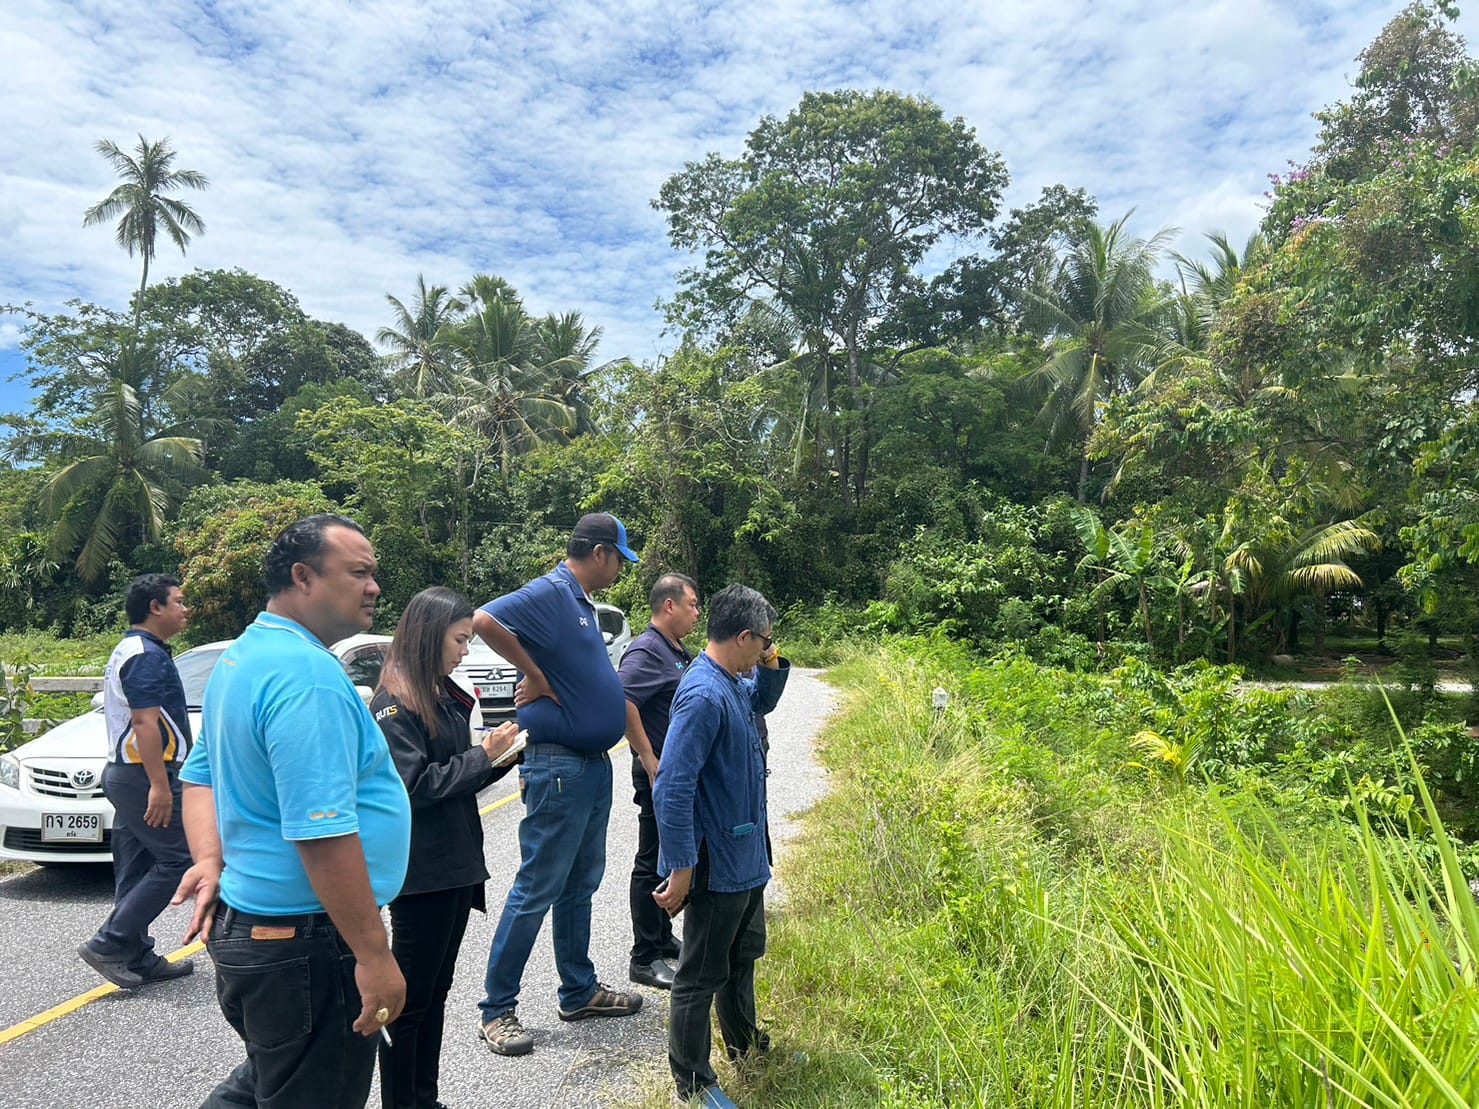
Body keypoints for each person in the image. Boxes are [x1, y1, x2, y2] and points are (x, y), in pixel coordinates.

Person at [172, 514, 412, 1109]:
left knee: (270, 1080)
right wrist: (374, 954)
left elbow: (200, 773)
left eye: (374, 573)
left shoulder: (244, 655)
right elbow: (322, 833)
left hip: (259, 934)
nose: (374, 586)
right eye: (359, 572)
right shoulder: (305, 677)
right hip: (306, 944)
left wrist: (207, 859)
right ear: (303, 577)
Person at [472, 512, 645, 1057]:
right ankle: (497, 1009)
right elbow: (481, 619)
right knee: (537, 887)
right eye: (619, 558)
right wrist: (535, 672)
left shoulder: (581, 605)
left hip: (591, 764)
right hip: (559, 767)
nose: (620, 568)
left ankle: (579, 990)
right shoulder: (551, 591)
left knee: (580, 883)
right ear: (598, 552)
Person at [371, 587, 522, 1109]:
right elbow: (413, 787)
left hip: (454, 867)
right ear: (429, 636)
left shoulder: (439, 693)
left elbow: (454, 779)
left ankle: (423, 1098)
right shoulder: (394, 702)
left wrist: (497, 760)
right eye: (459, 640)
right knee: (409, 1004)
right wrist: (482, 757)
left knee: (434, 996)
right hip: (423, 874)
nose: (464, 651)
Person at [654, 584, 789, 1108]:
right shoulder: (704, 692)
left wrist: (772, 657)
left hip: (747, 856)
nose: (766, 651)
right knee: (701, 973)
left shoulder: (734, 679)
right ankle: (693, 1080)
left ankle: (745, 1046)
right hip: (717, 863)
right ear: (742, 636)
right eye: (763, 642)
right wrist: (683, 866)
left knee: (742, 957)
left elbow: (765, 698)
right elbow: (673, 784)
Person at [77, 573, 196, 989]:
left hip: (129, 774)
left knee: (136, 863)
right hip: (143, 775)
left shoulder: (137, 649)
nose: (185, 609)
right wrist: (160, 785)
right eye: (178, 601)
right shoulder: (144, 655)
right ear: (155, 607)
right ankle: (110, 942)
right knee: (179, 860)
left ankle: (136, 953)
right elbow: (146, 723)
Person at [617, 572, 702, 990]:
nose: (697, 613)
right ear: (669, 606)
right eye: (692, 604)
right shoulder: (648, 650)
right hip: (659, 776)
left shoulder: (676, 649)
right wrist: (648, 757)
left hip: (675, 775)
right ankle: (644, 955)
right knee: (651, 860)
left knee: (669, 857)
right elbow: (623, 700)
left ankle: (662, 937)